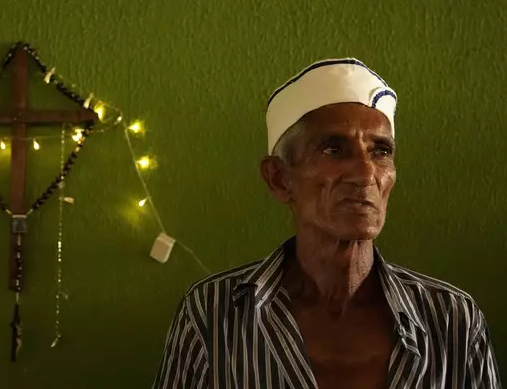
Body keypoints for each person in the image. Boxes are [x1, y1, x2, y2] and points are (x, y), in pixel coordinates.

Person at [152, 58, 502, 389]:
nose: (366, 174)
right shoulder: (212, 314)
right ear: (278, 178)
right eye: (334, 149)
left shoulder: (452, 319)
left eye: (380, 150)